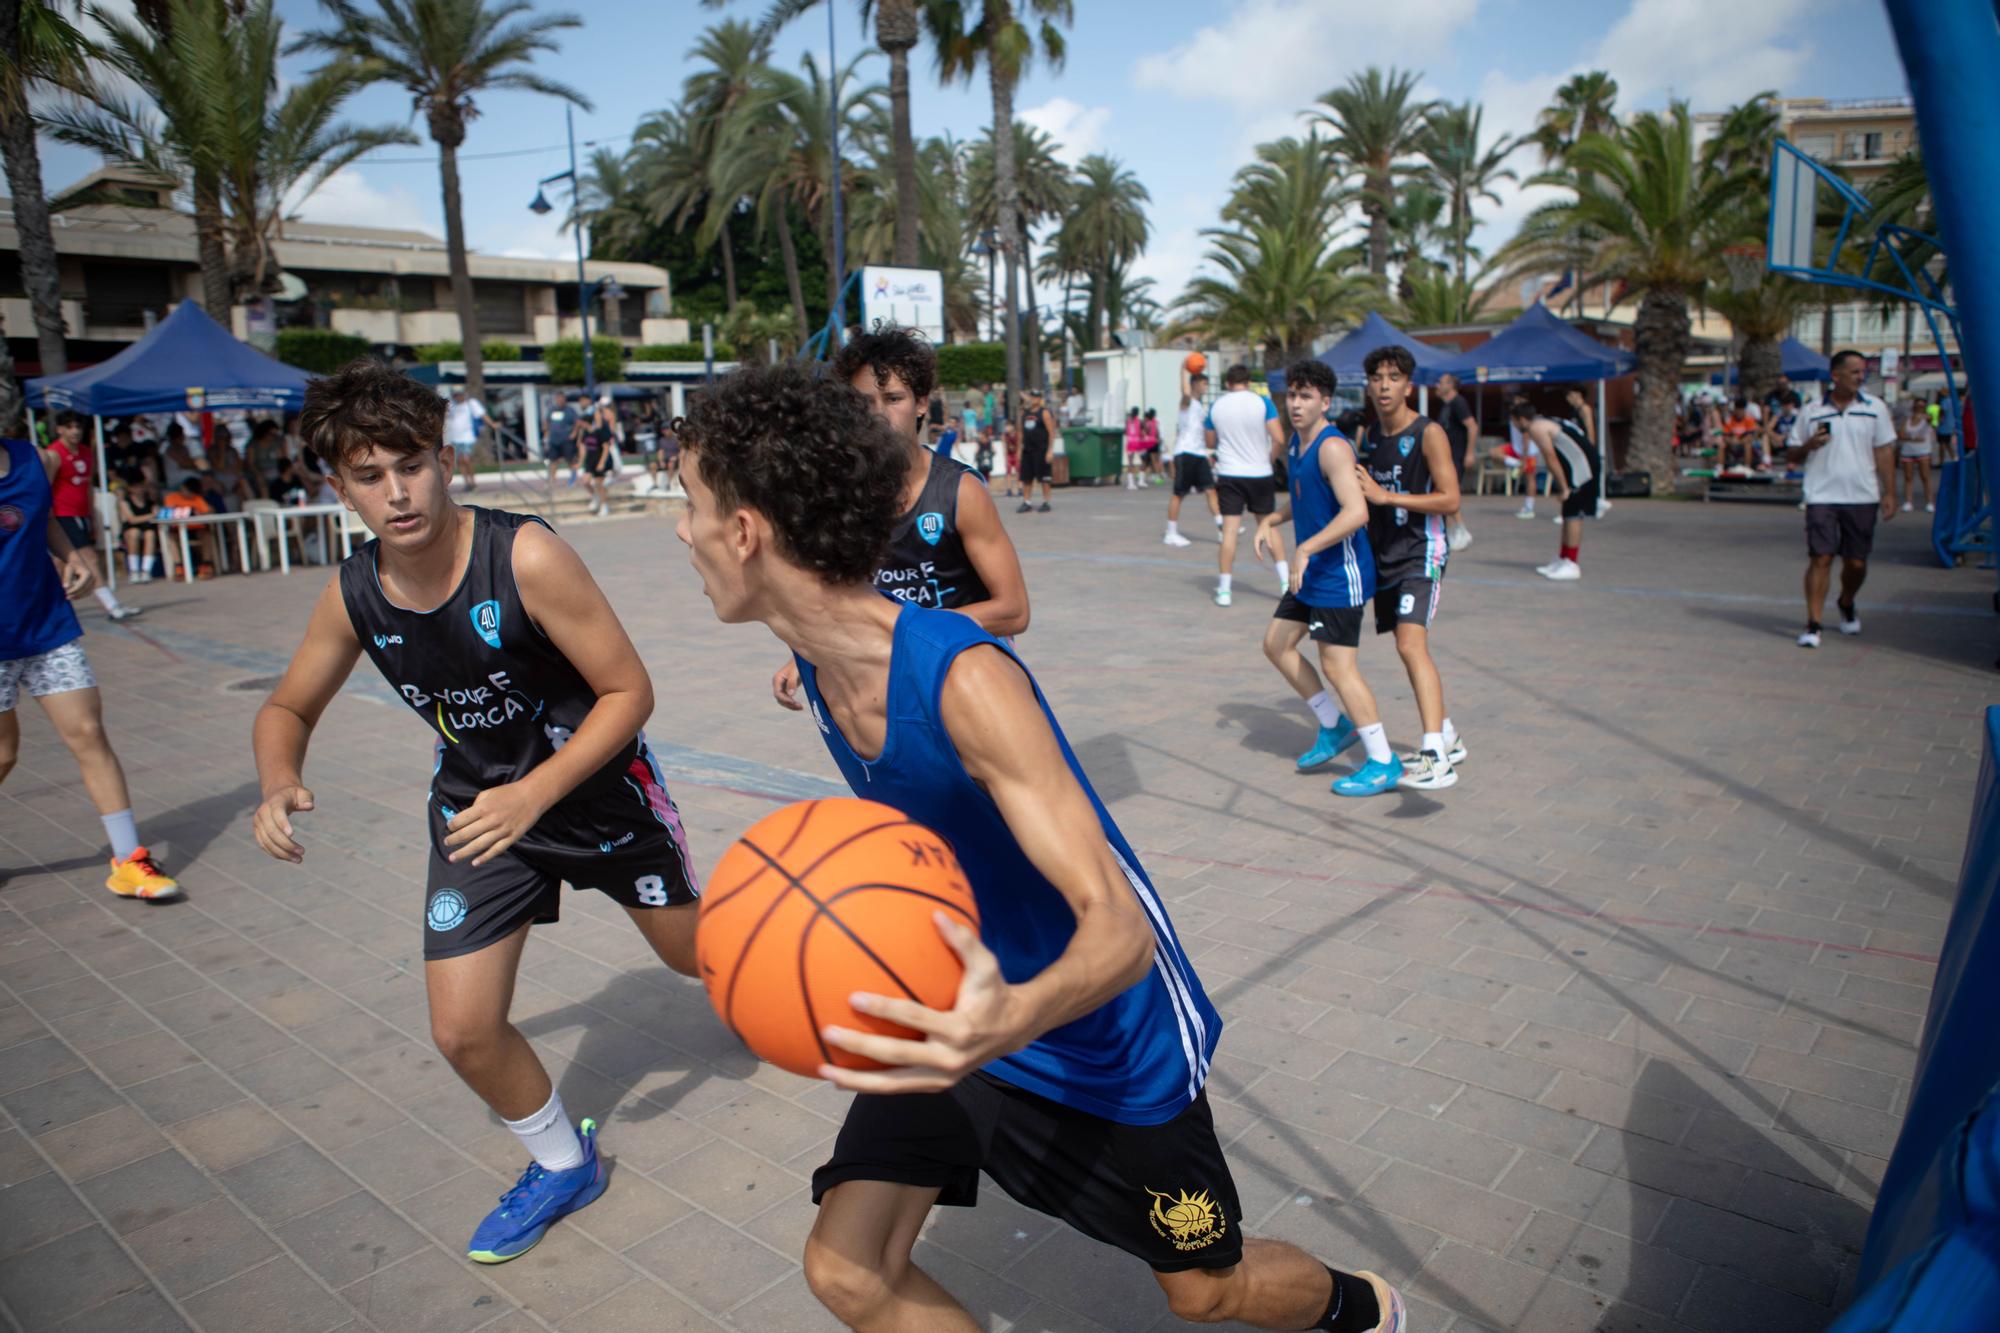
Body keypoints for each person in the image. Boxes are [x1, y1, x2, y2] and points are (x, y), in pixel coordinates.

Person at [673, 362, 1407, 1333]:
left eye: (687, 503)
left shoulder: (961, 680)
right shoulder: (815, 661)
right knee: (848, 1270)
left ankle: (1366, 1311)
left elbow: (1119, 934)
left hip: (1100, 1035)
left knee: (1206, 1291)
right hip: (955, 1011)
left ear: (744, 530)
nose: (678, 530)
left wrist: (1001, 1020)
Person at [250, 359, 700, 1262]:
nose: (397, 492)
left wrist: (536, 790)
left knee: (708, 963)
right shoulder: (353, 592)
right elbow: (285, 706)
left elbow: (627, 691)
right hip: (478, 818)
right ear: (338, 486)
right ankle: (564, 1164)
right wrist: (277, 777)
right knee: (462, 1028)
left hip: (594, 795)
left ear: (446, 460)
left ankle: (846, 962)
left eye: (410, 464)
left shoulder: (523, 553)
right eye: (369, 477)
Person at [770, 325, 1030, 710]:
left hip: (971, 680)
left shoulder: (960, 491)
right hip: (890, 685)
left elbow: (1013, 609)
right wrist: (807, 654)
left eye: (893, 398)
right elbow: (841, 603)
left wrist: (908, 631)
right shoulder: (841, 496)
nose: (879, 414)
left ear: (921, 402)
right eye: (864, 402)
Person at [1, 433, 181, 900]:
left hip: (48, 625)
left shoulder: (31, 457)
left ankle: (129, 860)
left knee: (88, 732)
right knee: (4, 754)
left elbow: (44, 520)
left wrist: (72, 557)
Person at [1255, 359, 1395, 792]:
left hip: (1339, 573)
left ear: (1325, 402)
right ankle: (1334, 727)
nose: (1295, 404)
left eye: (1306, 396)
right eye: (1291, 395)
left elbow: (1356, 512)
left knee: (1338, 666)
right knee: (1276, 645)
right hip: (1312, 571)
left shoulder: (1333, 447)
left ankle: (1384, 761)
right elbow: (1307, 499)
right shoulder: (1297, 443)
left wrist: (1306, 547)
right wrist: (1272, 520)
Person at [1353, 345, 1463, 793]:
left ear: (1408, 385)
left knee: (1410, 643)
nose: (1384, 385)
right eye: (1377, 377)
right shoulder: (1370, 437)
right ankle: (1448, 734)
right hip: (1386, 556)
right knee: (1403, 646)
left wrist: (1387, 497)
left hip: (1423, 550)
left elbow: (1451, 499)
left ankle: (1435, 754)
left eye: (1393, 377)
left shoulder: (1428, 432)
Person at [1787, 349, 1898, 648]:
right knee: (1820, 557)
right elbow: (1792, 453)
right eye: (1854, 372)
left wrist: (1890, 492)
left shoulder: (1875, 408)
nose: (1860, 378)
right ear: (1835, 376)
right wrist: (1810, 444)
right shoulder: (1811, 411)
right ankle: (1813, 623)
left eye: (1862, 372)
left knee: (1856, 563)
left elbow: (1885, 451)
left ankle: (1846, 601)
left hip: (1862, 495)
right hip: (1821, 494)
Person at [43, 413, 143, 621]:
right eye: (69, 427)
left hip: (81, 514)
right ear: (60, 430)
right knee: (89, 559)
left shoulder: (87, 453)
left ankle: (52, 609)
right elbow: (44, 489)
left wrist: (91, 514)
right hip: (61, 515)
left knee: (61, 565)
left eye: (78, 426)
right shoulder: (53, 454)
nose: (75, 431)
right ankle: (112, 607)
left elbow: (88, 486)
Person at [1208, 365, 1287, 604]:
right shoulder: (1263, 402)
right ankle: (1285, 584)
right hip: (1259, 472)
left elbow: (1210, 441)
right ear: (1249, 382)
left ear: (1228, 383)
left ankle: (1224, 590)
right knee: (1269, 526)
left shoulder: (1216, 406)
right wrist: (1269, 459)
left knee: (1229, 531)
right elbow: (1279, 438)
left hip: (1230, 473)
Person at [1509, 399, 1598, 582]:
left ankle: (1572, 563)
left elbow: (1551, 458)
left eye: (1514, 422)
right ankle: (1563, 557)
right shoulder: (1543, 421)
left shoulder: (1536, 428)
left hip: (1582, 466)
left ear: (1521, 420)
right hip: (1577, 464)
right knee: (1567, 512)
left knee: (1573, 513)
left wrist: (1564, 487)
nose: (1514, 426)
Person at [1163, 369, 1221, 546]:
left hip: (1199, 453)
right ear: (1195, 384)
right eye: (1203, 384)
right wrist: (1182, 369)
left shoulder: (1201, 408)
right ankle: (1171, 533)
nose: (1205, 387)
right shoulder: (1186, 403)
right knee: (1179, 494)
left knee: (1211, 490)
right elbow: (1185, 392)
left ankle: (1222, 527)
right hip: (1185, 452)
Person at [1434, 372, 1476, 551]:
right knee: (1443, 492)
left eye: (1441, 382)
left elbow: (1472, 426)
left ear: (1451, 385)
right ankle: (1453, 531)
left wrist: (1469, 453)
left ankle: (1462, 530)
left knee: (1449, 494)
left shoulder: (1458, 402)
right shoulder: (1447, 405)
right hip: (1446, 457)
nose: (1437, 385)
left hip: (1456, 456)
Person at [1014, 387, 1057, 513]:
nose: (1034, 399)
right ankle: (1026, 502)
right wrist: (1019, 449)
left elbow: (1051, 432)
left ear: (1040, 399)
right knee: (1026, 478)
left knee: (1044, 478)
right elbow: (1020, 432)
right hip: (1028, 450)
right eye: (1032, 397)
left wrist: (1049, 450)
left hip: (1041, 450)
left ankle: (1046, 501)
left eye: (1036, 397)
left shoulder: (1044, 412)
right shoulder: (1025, 413)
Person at [116, 468, 161, 583]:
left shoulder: (150, 501)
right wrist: (151, 515)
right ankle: (134, 570)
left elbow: (156, 513)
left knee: (150, 534)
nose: (139, 489)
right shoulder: (125, 501)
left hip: (147, 527)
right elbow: (132, 520)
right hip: (131, 528)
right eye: (135, 486)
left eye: (140, 486)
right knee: (134, 534)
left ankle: (146, 570)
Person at [1896, 396, 1937, 513]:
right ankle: (1908, 502)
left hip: (1923, 450)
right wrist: (1913, 438)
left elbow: (1933, 422)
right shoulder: (1908, 419)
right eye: (1918, 405)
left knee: (1925, 477)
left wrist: (1929, 415)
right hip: (1908, 450)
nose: (1920, 408)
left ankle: (1930, 502)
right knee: (1908, 477)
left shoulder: (1927, 418)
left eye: (1922, 405)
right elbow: (1901, 434)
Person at [579, 397, 618, 518]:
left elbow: (606, 448)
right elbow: (583, 447)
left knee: (599, 484)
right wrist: (581, 461)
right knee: (585, 481)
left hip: (600, 459)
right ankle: (595, 496)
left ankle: (604, 506)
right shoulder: (586, 433)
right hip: (590, 460)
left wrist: (601, 463)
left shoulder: (600, 431)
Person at [445, 386, 488, 493]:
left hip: (468, 437)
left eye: (459, 394)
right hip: (455, 437)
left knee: (466, 459)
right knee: (460, 461)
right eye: (455, 394)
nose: (457, 396)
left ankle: (473, 482)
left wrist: (493, 424)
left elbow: (482, 415)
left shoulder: (471, 403)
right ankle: (467, 483)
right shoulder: (452, 406)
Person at [543, 391, 581, 490]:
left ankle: (572, 480)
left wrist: (574, 433)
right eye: (558, 398)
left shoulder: (570, 410)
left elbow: (577, 422)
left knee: (570, 460)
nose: (560, 400)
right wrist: (546, 433)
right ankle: (552, 481)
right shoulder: (552, 410)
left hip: (566, 440)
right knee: (553, 461)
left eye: (561, 398)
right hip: (554, 440)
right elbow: (547, 421)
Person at [1123, 406, 1147, 490]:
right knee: (1144, 460)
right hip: (1138, 442)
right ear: (1138, 413)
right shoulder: (1140, 422)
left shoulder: (1127, 421)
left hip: (1130, 443)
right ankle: (1141, 480)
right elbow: (1143, 433)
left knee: (1130, 463)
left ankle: (1130, 483)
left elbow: (1125, 432)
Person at [1142, 407, 1163, 483]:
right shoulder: (1156, 422)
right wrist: (1158, 439)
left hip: (1150, 443)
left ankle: (1157, 477)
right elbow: (1157, 432)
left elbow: (1146, 432)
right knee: (1157, 460)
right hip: (1156, 442)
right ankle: (1159, 475)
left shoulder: (1148, 423)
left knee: (1151, 461)